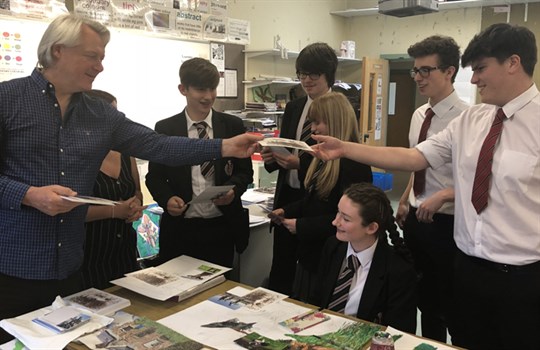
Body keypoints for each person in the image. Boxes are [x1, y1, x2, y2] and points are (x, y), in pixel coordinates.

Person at [0, 14, 261, 343]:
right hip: (11, 270)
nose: (100, 66)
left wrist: (224, 146)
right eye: (92, 56)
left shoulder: (99, 114)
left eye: (102, 58)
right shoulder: (7, 101)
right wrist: (28, 195)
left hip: (70, 270)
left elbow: (158, 145)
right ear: (57, 51)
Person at [311, 23, 539, 350]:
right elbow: (414, 157)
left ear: (513, 63)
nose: (473, 79)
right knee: (461, 338)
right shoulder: (471, 121)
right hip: (467, 266)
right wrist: (346, 148)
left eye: (480, 69)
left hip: (523, 278)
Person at [395, 35, 469, 342]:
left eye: (427, 70)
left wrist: (443, 195)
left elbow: (479, 178)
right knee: (421, 297)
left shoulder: (469, 117)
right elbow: (418, 163)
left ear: (450, 71)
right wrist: (403, 200)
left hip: (447, 223)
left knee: (450, 303)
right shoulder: (418, 115)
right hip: (415, 216)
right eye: (416, 71)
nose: (418, 78)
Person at [146, 57, 253, 268]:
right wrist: (167, 199)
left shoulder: (232, 125)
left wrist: (233, 191)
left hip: (221, 227)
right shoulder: (166, 128)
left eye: (212, 89)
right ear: (182, 89)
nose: (208, 96)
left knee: (219, 294)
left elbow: (245, 172)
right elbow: (155, 176)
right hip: (181, 229)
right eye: (200, 90)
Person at [268, 92, 372, 301]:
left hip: (334, 256)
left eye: (317, 122)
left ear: (335, 121)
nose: (313, 129)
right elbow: (313, 200)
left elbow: (346, 220)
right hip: (312, 255)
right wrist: (287, 210)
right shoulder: (319, 159)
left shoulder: (354, 165)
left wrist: (301, 226)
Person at [262, 42, 338, 295]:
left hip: (319, 203)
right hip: (289, 196)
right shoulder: (295, 107)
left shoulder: (341, 109)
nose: (306, 80)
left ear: (329, 75)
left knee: (312, 272)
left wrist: (301, 163)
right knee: (281, 269)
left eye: (313, 74)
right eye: (302, 74)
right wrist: (271, 155)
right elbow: (285, 146)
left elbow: (338, 159)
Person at [310, 183, 417, 333]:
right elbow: (317, 301)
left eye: (346, 219)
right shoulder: (333, 247)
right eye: (338, 213)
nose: (335, 222)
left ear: (372, 228)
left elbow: (398, 333)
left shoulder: (397, 270)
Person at [81, 89, 145, 289]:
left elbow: (136, 192)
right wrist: (115, 211)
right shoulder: (75, 156)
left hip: (124, 248)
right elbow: (68, 210)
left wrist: (135, 207)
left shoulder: (125, 152)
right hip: (89, 252)